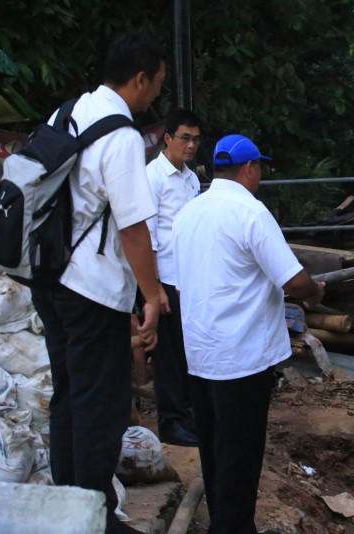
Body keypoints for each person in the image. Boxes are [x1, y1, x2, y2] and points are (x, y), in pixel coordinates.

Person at [30, 32, 165, 533]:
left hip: (47, 278)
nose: (156, 95)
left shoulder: (66, 113)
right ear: (139, 78)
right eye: (156, 84)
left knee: (68, 394)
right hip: (89, 290)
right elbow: (133, 226)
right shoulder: (122, 136)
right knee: (100, 408)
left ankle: (67, 511)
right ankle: (95, 519)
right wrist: (152, 295)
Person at [172, 134, 324, 533]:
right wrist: (314, 292)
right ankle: (233, 527)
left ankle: (224, 523)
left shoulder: (189, 212)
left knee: (214, 446)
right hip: (241, 356)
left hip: (201, 353)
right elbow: (294, 279)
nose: (260, 175)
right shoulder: (249, 212)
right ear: (249, 168)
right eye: (259, 168)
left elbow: (182, 283)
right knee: (241, 452)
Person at [143, 108, 203, 446]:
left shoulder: (191, 179)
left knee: (187, 348)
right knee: (167, 354)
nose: (191, 145)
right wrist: (153, 290)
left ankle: (187, 415)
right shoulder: (153, 177)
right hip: (163, 277)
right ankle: (171, 422)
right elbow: (147, 236)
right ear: (167, 138)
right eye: (184, 138)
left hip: (188, 278)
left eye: (196, 139)